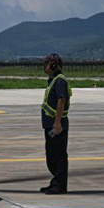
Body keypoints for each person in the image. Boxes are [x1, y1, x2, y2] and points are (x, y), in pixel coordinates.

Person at [40, 53, 72, 195]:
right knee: (52, 156)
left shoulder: (60, 81)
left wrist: (57, 123)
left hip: (57, 126)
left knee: (58, 156)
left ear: (53, 65)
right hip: (50, 125)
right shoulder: (53, 80)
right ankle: (55, 182)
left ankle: (60, 186)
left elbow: (61, 100)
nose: (44, 66)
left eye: (46, 63)